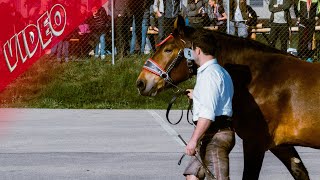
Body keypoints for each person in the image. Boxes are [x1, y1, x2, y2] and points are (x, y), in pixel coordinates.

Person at [183, 29, 235, 180]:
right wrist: (196, 96)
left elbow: (207, 114)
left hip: (215, 136)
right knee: (192, 176)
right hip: (212, 134)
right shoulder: (219, 71)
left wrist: (193, 141)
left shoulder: (209, 76)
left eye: (192, 49)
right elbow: (217, 99)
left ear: (197, 50)